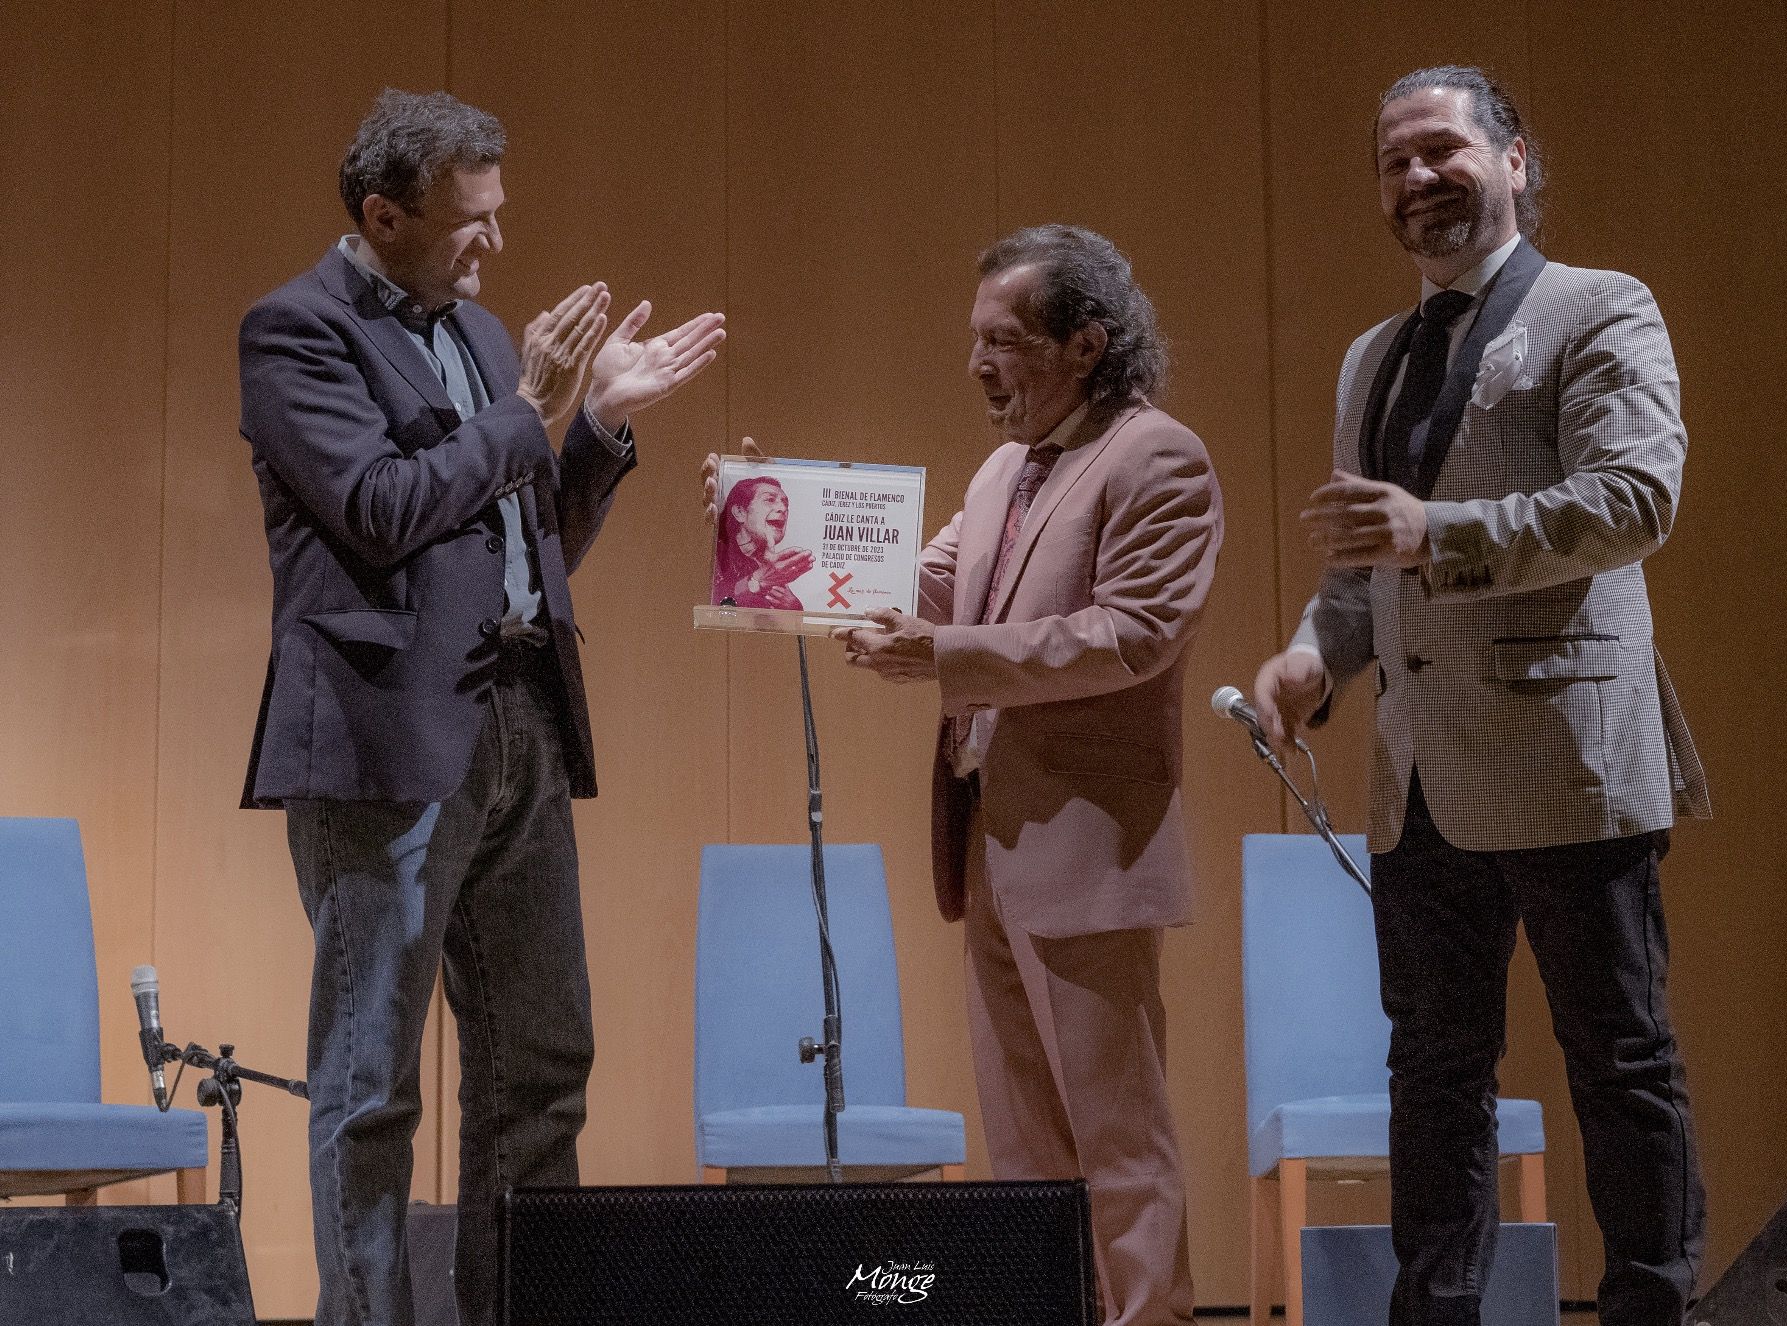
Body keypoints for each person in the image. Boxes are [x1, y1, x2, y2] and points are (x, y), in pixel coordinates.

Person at [238, 88, 723, 1326]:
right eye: (469, 220)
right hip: (387, 741)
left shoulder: (490, 336)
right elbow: (382, 511)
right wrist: (527, 410)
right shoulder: (296, 332)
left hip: (522, 719)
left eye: (498, 213)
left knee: (541, 1067)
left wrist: (594, 423)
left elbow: (523, 537)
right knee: (371, 1081)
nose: (494, 243)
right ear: (383, 215)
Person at [1251, 66, 1710, 1326]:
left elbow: (1633, 500)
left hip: (1567, 756)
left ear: (1513, 159)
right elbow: (1365, 562)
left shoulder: (1598, 307)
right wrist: (1313, 656)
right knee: (1434, 1077)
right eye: (1392, 162)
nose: (1415, 179)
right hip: (1417, 780)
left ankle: (1650, 1309)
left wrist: (1435, 531)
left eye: (1440, 150)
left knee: (1619, 1063)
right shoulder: (1371, 357)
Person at [732, 224, 1222, 1326]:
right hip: (991, 837)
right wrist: (767, 520)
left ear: (1086, 344)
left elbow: (1134, 633)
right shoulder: (1006, 467)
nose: (977, 365)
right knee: (1025, 1138)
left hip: (1090, 846)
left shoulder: (1159, 457)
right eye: (975, 340)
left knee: (1117, 1134)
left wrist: (947, 656)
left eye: (1003, 341)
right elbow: (925, 581)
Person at [713, 473, 812, 608]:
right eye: (770, 500)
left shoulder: (769, 566)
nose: (783, 508)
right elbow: (716, 604)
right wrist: (756, 581)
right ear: (740, 512)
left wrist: (793, 607)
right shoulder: (716, 554)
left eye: (785, 503)